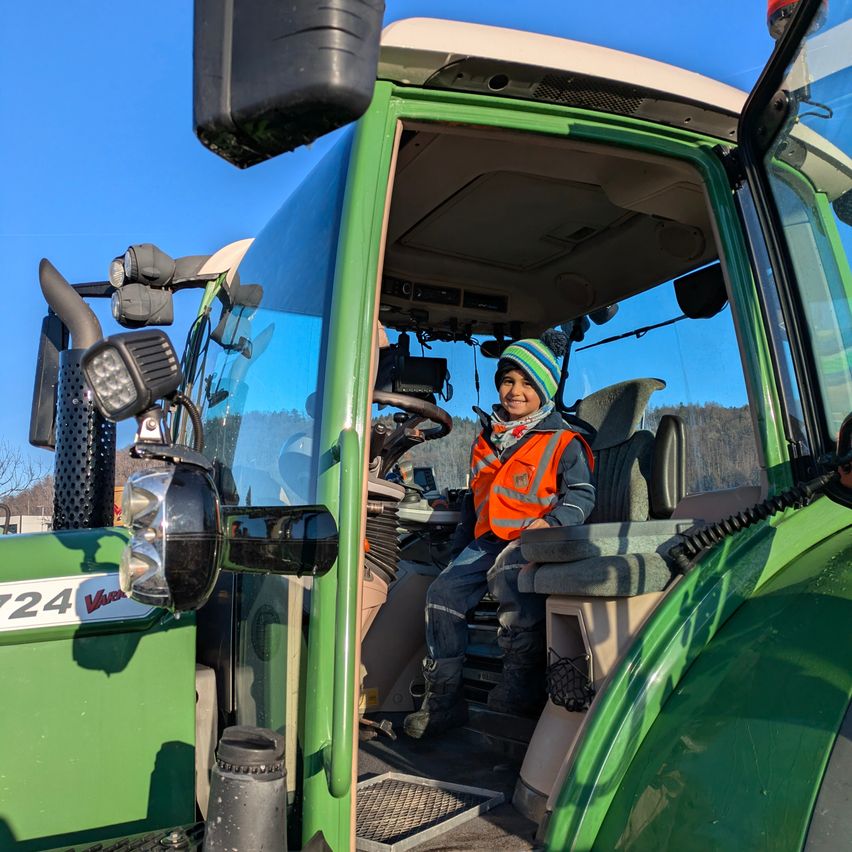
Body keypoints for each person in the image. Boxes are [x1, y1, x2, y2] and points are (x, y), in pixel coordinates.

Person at [403, 335, 595, 739]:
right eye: (508, 381)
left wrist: (552, 524)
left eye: (527, 384)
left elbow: (581, 496)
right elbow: (475, 502)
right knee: (442, 593)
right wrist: (457, 554)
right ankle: (444, 699)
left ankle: (520, 685)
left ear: (543, 390)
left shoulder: (563, 441)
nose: (516, 391)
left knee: (509, 573)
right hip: (488, 540)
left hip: (537, 539)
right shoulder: (486, 440)